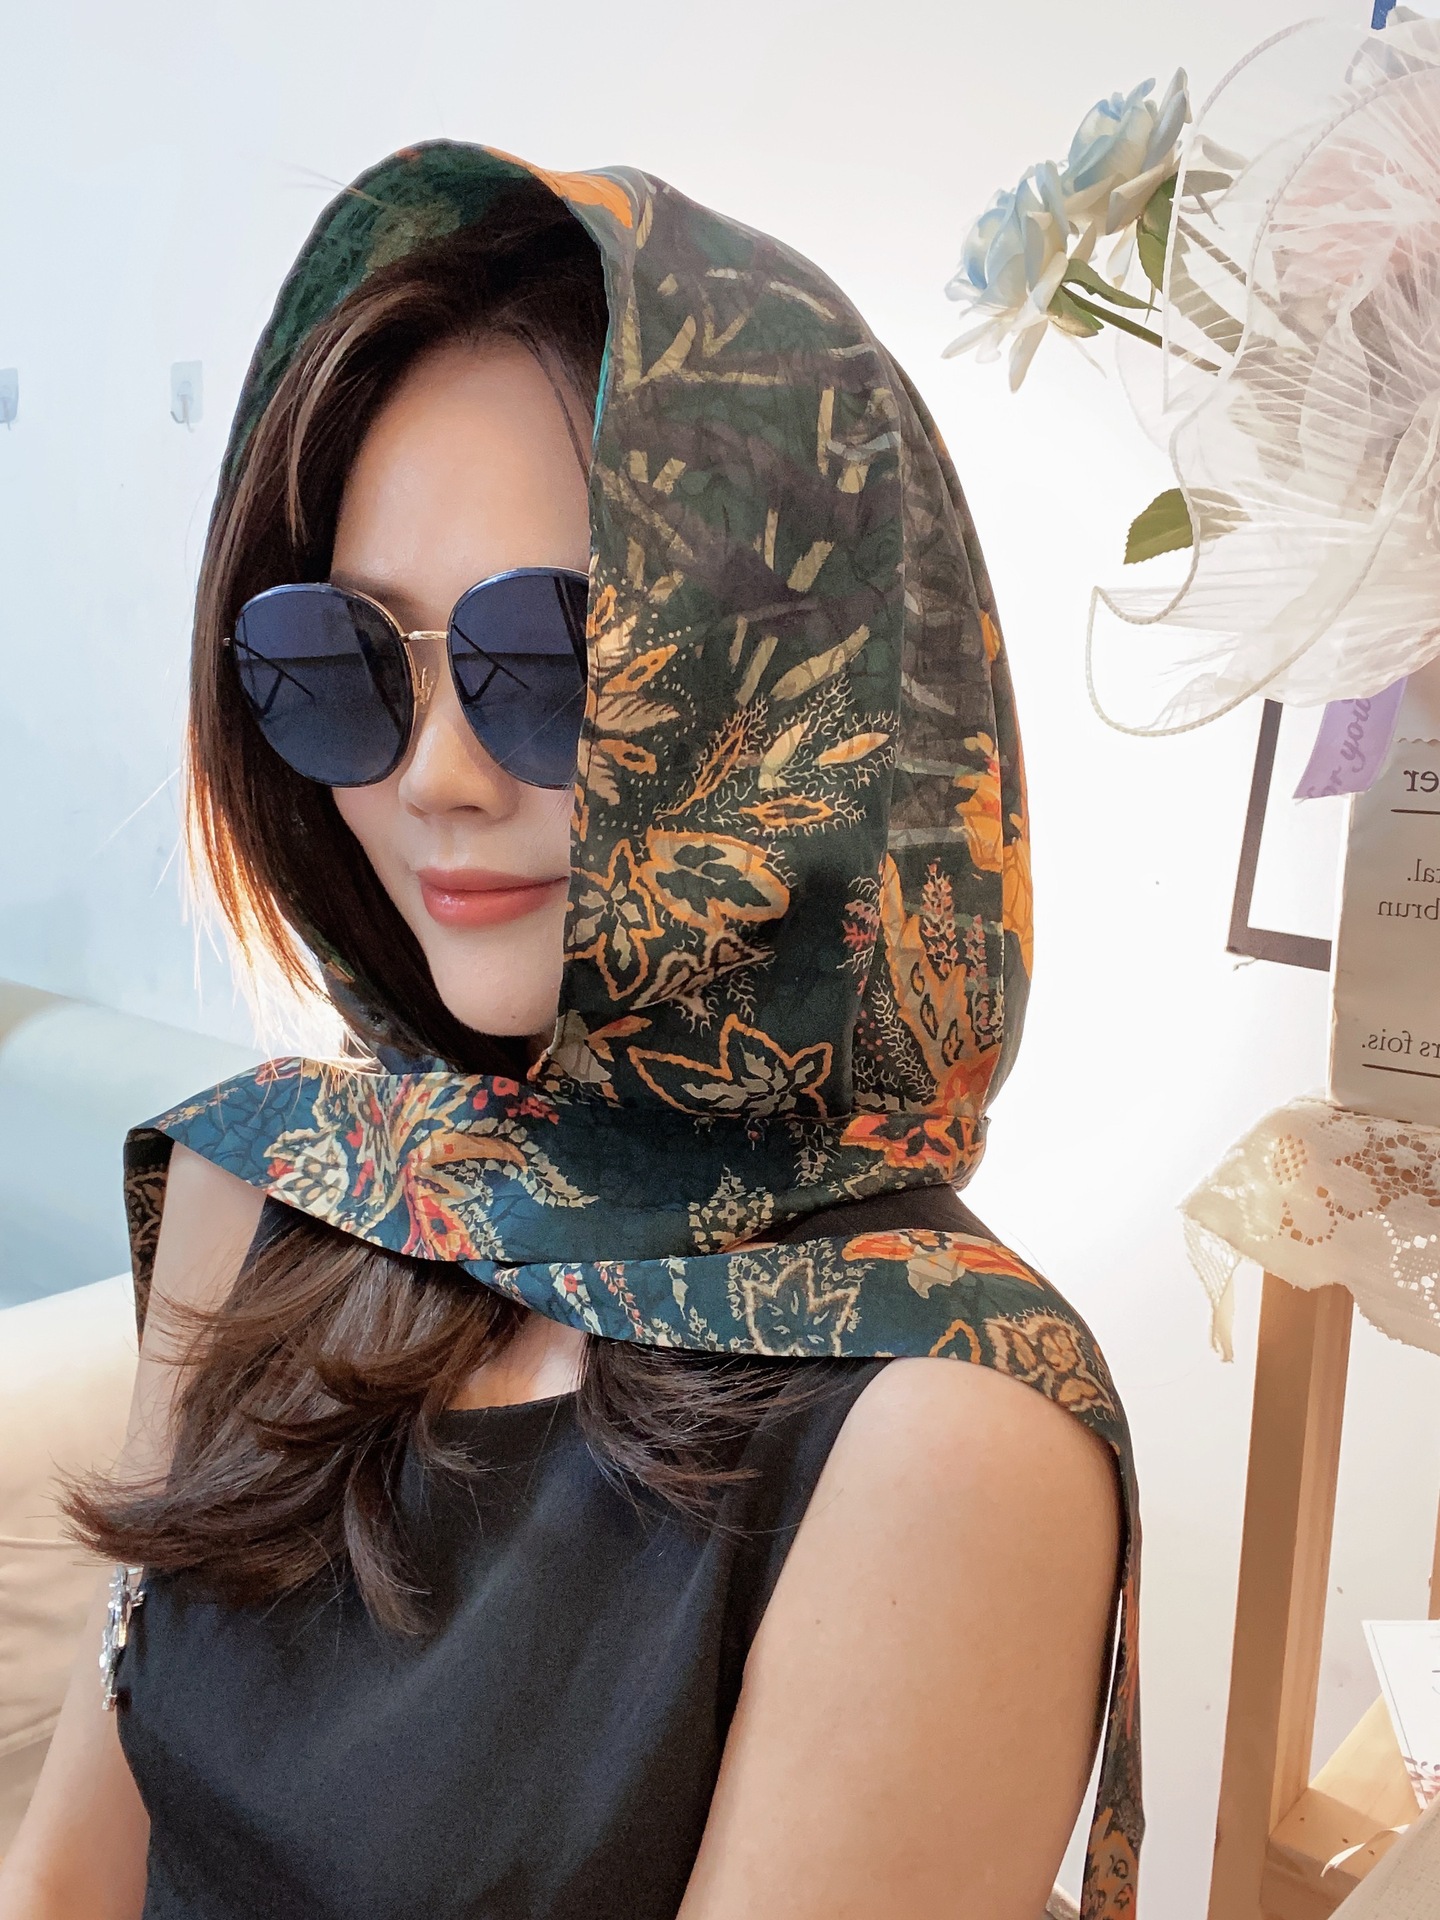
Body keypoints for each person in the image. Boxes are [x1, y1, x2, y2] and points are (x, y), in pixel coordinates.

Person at [0, 145, 1140, 1920]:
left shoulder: (947, 1434)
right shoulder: (276, 1184)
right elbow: (72, 1876)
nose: (435, 777)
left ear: (808, 688)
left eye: (554, 661)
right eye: (342, 660)